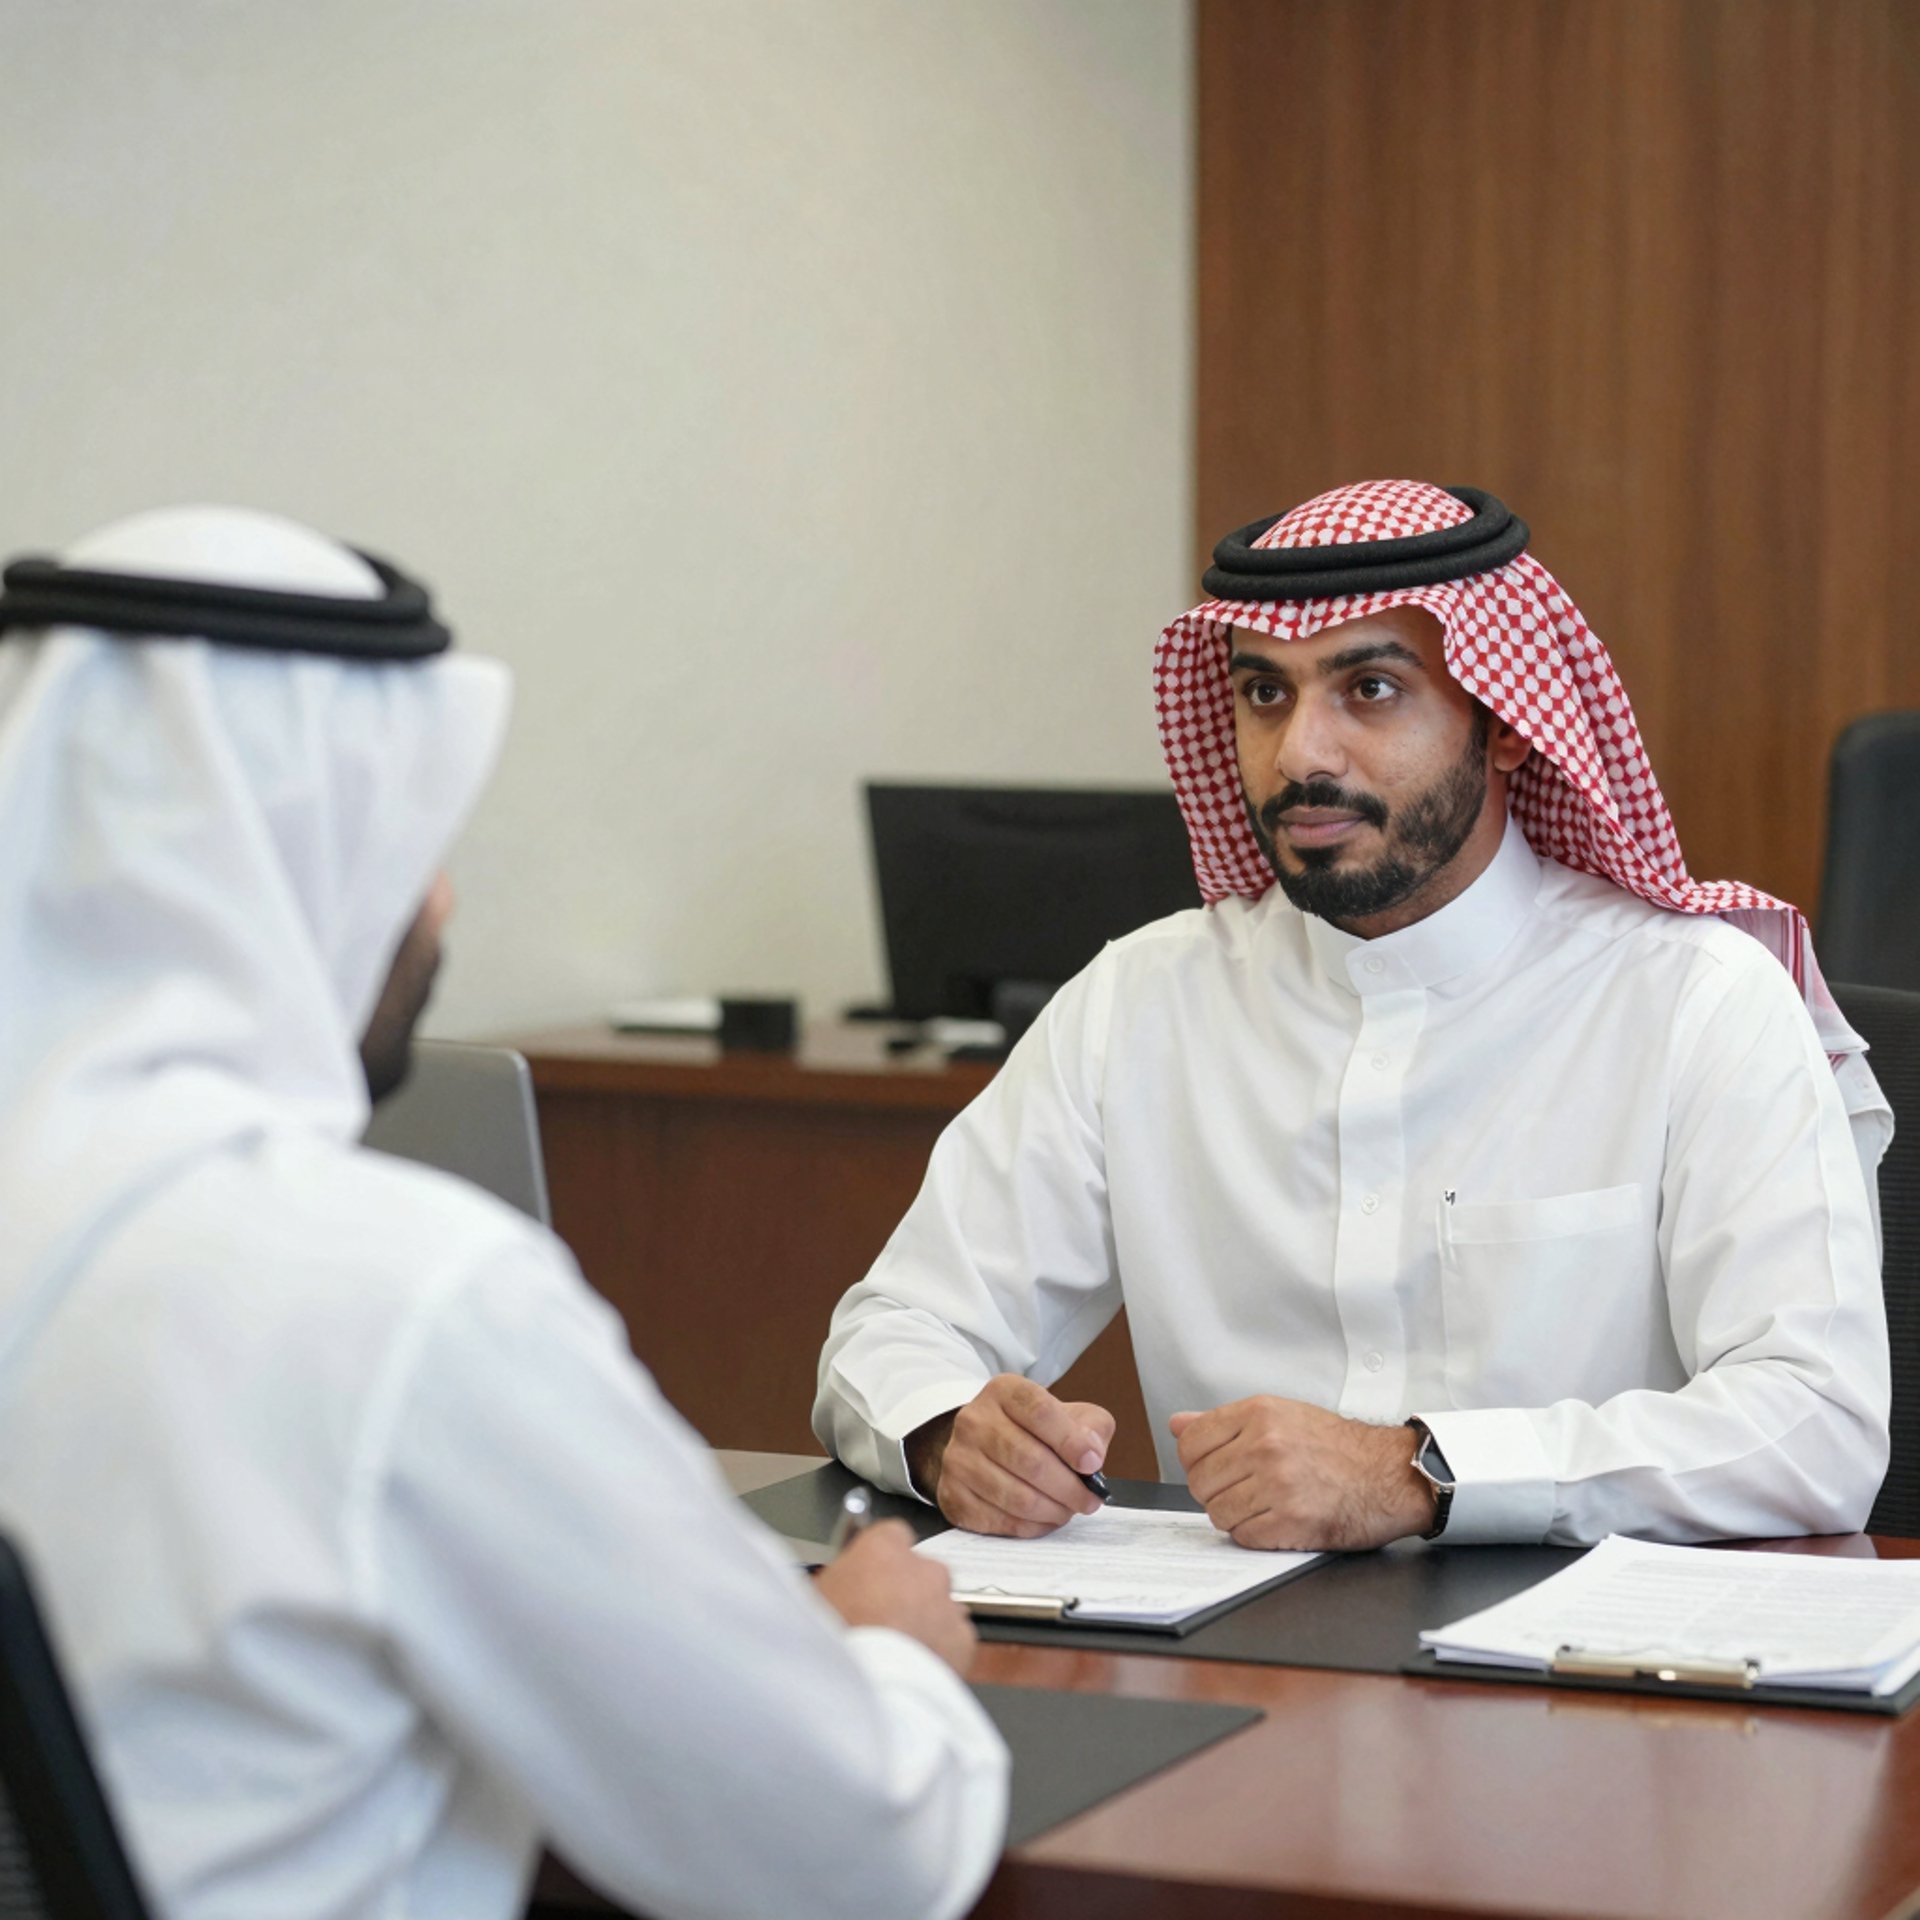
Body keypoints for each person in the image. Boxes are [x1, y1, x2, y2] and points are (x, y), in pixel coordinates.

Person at [0, 507, 1006, 1920]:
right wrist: (883, 1653)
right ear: (308, 858)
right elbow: (847, 1861)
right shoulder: (394, 1293)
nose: (441, 898)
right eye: (414, 840)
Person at [815, 479, 1892, 1552]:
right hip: (1236, 1675)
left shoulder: (1695, 1000)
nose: (1300, 757)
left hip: (1591, 1681)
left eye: (1370, 688)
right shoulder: (1140, 1003)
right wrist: (950, 1433)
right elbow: (895, 1328)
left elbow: (1816, 1426)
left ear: (1507, 725)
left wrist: (1419, 1472)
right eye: (1265, 696)